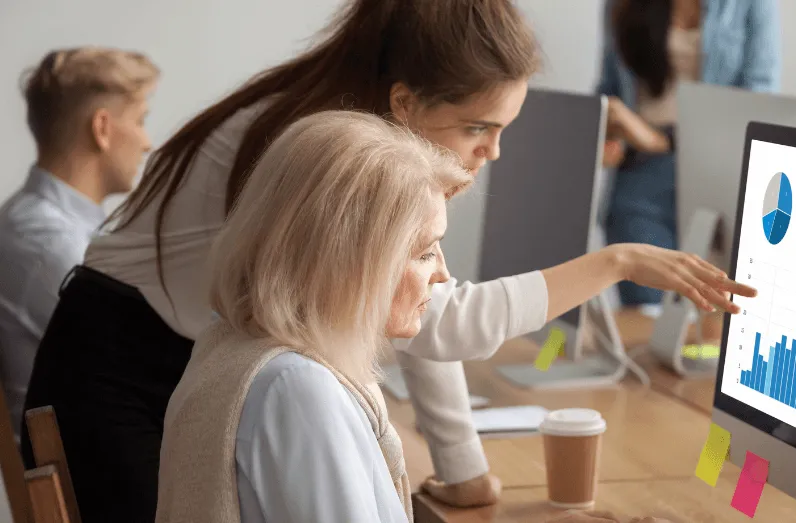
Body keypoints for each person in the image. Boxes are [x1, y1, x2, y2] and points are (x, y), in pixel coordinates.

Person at [22, 1, 755, 521]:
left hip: (161, 354)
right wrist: (614, 262)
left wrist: (461, 466)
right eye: (478, 126)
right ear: (404, 102)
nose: (492, 151)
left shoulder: (344, 124)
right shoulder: (323, 152)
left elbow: (398, 301)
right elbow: (434, 317)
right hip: (118, 372)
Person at [0, 47, 158, 444]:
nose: (147, 142)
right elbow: (145, 365)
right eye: (140, 121)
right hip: (89, 481)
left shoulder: (49, 230)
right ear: (102, 128)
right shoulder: (48, 245)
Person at [599, 0, 781, 307]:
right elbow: (609, 87)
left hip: (715, 170)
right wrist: (607, 133)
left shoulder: (752, 5)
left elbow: (758, 98)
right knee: (650, 317)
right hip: (641, 177)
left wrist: (661, 140)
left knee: (711, 319)